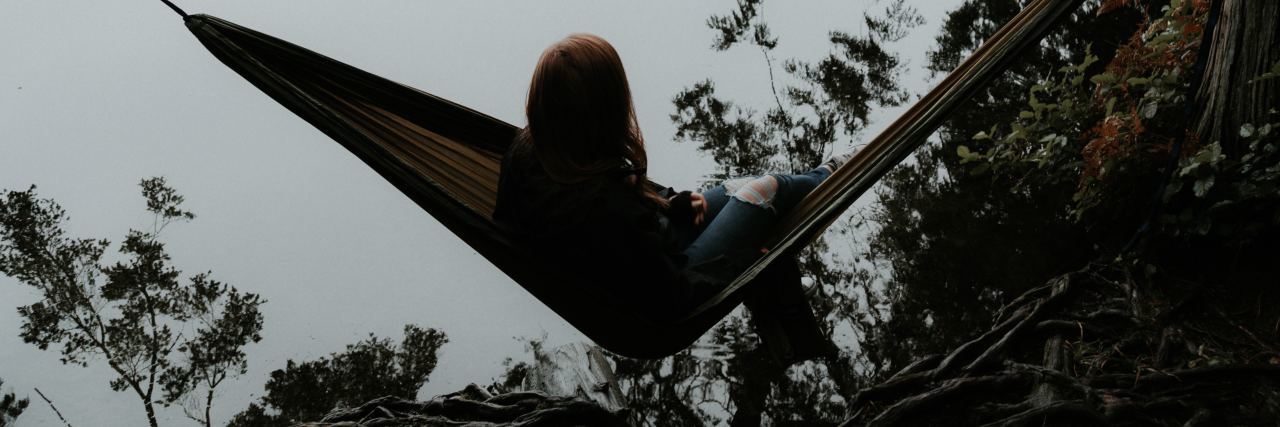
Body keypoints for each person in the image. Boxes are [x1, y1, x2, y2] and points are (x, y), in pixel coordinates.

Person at [492, 34, 849, 359]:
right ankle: (838, 172)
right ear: (606, 111)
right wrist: (745, 265)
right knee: (764, 192)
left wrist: (667, 204)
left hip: (627, 259)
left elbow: (608, 221)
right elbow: (672, 297)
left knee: (737, 189)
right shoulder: (605, 209)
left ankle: (792, 331)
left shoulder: (531, 149)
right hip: (662, 291)